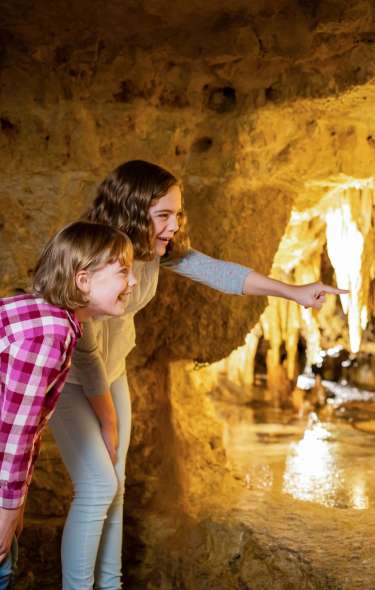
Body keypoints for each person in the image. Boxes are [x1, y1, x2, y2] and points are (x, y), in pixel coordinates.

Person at [49, 159, 347, 590]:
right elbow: (86, 350)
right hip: (74, 379)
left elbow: (219, 272)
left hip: (112, 374)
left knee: (117, 485)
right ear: (133, 210)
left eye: (177, 213)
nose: (174, 224)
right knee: (97, 486)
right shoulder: (95, 256)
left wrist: (293, 291)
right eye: (164, 214)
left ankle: (109, 585)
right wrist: (108, 416)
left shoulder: (150, 251)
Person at [0, 221, 136, 589]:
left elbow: (29, 425)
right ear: (83, 281)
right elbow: (17, 434)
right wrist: (9, 509)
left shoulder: (48, 317)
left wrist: (17, 499)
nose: (134, 282)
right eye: (123, 271)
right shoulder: (49, 334)